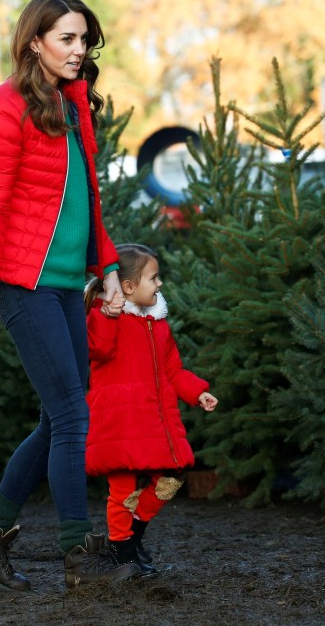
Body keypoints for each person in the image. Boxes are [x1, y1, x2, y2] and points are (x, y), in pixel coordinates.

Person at [0, 0, 138, 591]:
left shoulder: (73, 103)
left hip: (63, 283)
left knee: (61, 415)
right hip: (19, 282)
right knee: (71, 415)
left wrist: (105, 268)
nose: (79, 50)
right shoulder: (3, 108)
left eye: (85, 40)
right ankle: (79, 555)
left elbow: (89, 198)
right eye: (66, 38)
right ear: (35, 41)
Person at [84, 244, 218, 577]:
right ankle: (121, 549)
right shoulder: (107, 320)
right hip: (121, 421)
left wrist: (197, 392)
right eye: (153, 278)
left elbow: (173, 370)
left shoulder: (158, 325)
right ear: (127, 286)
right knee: (122, 490)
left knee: (171, 477)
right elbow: (97, 349)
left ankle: (133, 536)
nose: (159, 285)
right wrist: (105, 311)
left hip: (155, 419)